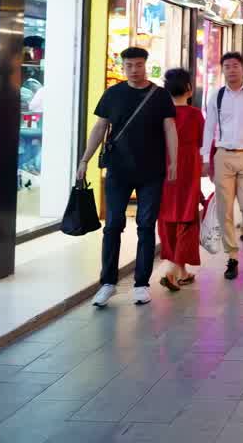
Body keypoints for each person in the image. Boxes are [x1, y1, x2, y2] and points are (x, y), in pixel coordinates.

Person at [78, 47, 178, 307]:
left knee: (146, 225)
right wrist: (85, 159)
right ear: (123, 67)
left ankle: (142, 284)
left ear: (146, 65)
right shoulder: (113, 94)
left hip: (152, 171)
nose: (134, 70)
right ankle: (108, 283)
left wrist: (174, 162)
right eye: (129, 65)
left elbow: (170, 129)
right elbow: (100, 127)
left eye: (138, 65)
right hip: (118, 170)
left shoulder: (160, 96)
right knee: (112, 225)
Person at [201, 52, 243, 281]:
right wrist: (205, 158)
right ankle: (232, 257)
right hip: (223, 156)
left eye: (235, 66)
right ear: (223, 70)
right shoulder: (217, 96)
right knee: (224, 209)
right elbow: (209, 128)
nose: (231, 70)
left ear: (242, 69)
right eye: (227, 66)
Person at [157, 69, 204, 291]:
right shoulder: (195, 115)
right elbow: (203, 141)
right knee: (187, 217)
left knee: (167, 217)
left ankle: (181, 271)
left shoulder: (161, 115)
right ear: (189, 89)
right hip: (188, 170)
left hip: (165, 168)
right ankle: (174, 269)